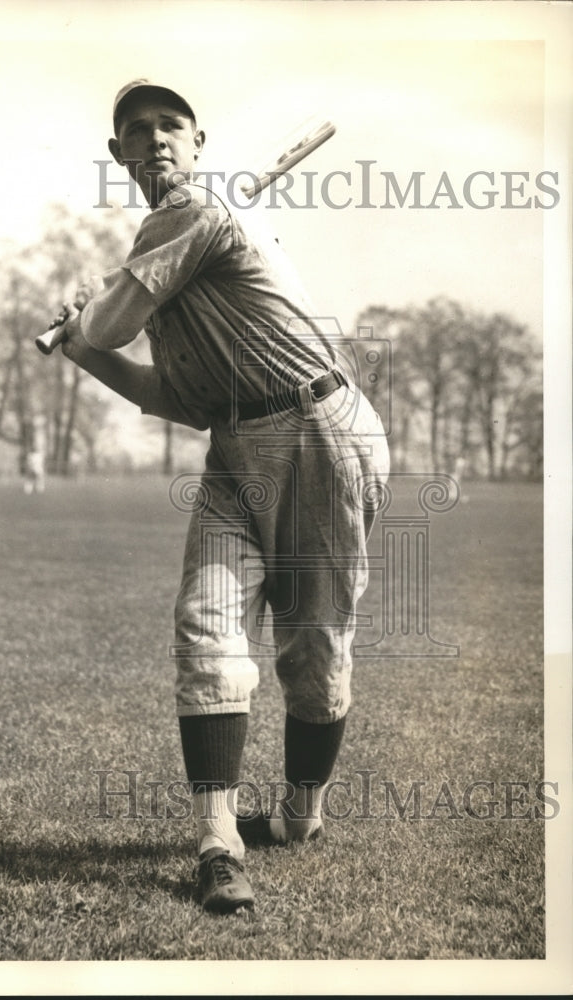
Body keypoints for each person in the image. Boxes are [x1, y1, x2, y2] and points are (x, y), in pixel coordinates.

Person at [46, 79, 390, 914]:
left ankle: (300, 816)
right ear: (119, 154)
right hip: (235, 446)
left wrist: (92, 316)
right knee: (205, 625)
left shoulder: (196, 209)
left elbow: (111, 324)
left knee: (312, 647)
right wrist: (84, 348)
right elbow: (181, 398)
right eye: (138, 131)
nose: (156, 139)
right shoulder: (166, 250)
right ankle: (217, 842)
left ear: (197, 143)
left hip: (317, 430)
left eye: (172, 125)